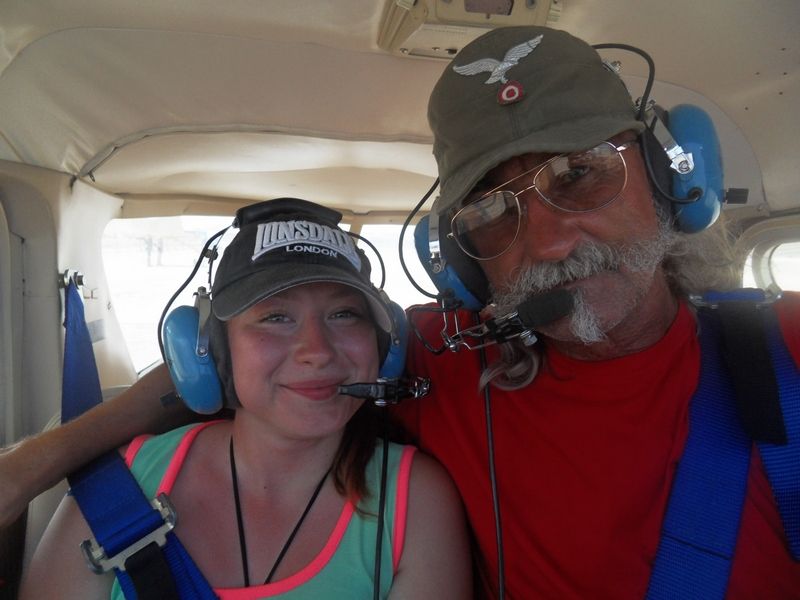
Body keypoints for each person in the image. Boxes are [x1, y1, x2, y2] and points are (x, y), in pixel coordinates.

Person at [3, 25, 800, 599]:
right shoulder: (440, 359)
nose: (551, 240)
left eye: (581, 173)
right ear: (463, 264)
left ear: (673, 174)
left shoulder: (789, 349)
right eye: (493, 213)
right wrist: (32, 468)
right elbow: (221, 371)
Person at [17, 198, 471, 599]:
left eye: (344, 314)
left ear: (384, 345)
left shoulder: (415, 501)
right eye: (276, 317)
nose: (317, 350)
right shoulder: (120, 488)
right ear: (212, 350)